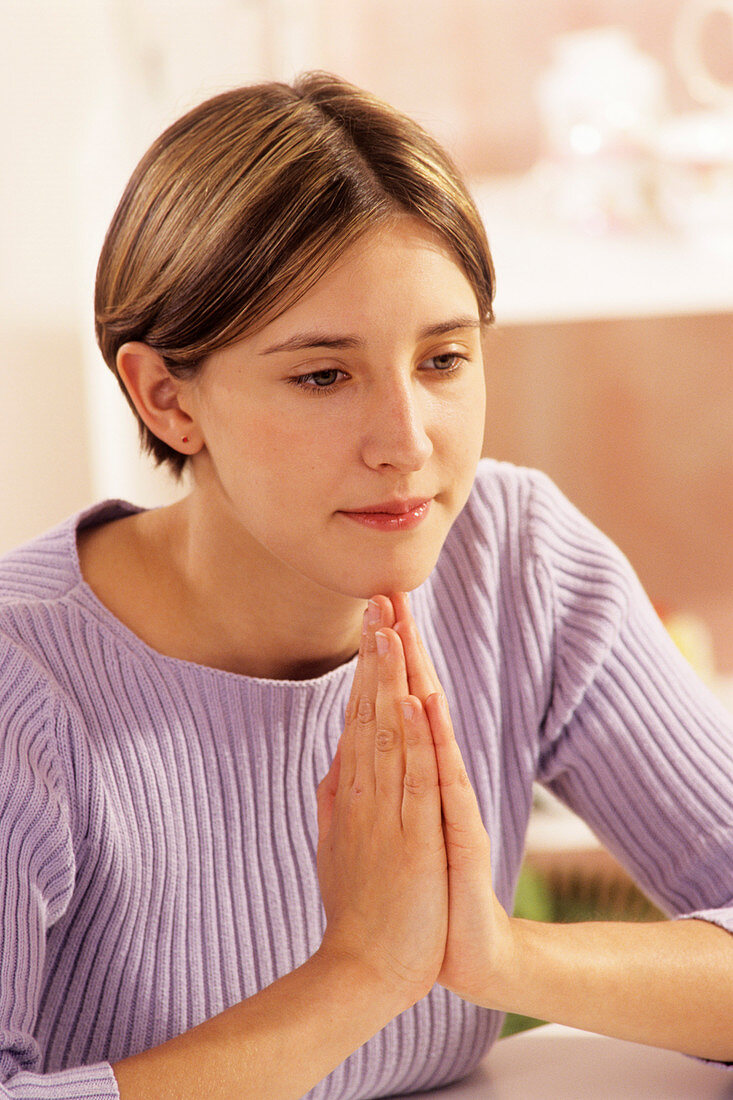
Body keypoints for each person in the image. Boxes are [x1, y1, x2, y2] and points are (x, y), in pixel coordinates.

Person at [0, 72, 731, 1100]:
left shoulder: (514, 559)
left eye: (441, 359)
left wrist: (499, 955)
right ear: (166, 397)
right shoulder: (23, 680)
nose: (406, 444)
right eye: (321, 376)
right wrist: (358, 975)